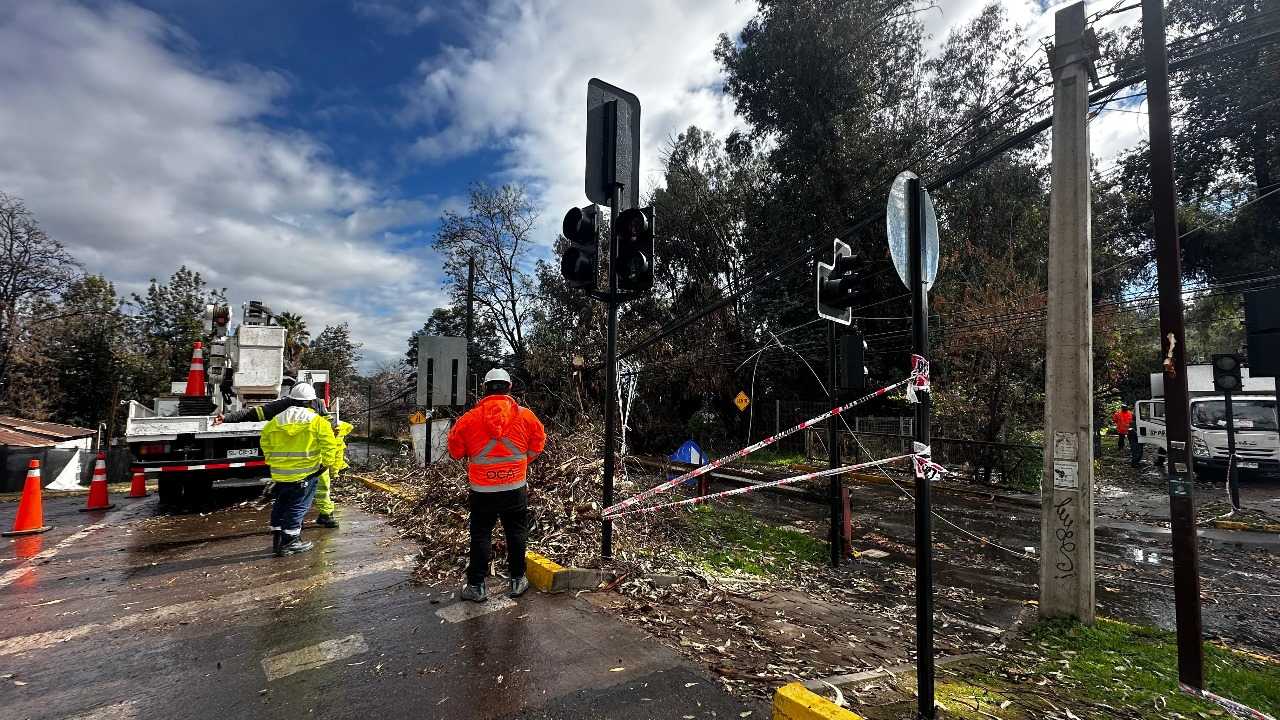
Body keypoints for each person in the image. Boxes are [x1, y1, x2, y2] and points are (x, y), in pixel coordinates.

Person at [447, 368, 546, 602]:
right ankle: (517, 580)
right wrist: (521, 462)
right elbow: (538, 442)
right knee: (516, 532)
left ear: (485, 389)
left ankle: (476, 586)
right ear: (509, 387)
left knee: (481, 534)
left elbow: (455, 451)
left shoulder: (469, 419)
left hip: (482, 490)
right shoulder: (526, 416)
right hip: (515, 487)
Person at [259, 383, 341, 556]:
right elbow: (329, 445)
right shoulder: (318, 422)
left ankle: (278, 536)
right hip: (306, 473)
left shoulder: (276, 421)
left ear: (291, 400)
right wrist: (326, 464)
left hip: (280, 473)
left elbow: (264, 441)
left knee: (281, 504)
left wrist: (273, 461)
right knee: (298, 506)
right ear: (312, 401)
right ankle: (290, 542)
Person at [313, 418, 354, 528]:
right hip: (319, 463)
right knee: (322, 489)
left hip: (307, 463)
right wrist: (332, 470)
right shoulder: (335, 428)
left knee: (300, 493)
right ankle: (326, 516)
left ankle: (294, 521)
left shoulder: (315, 423)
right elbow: (336, 453)